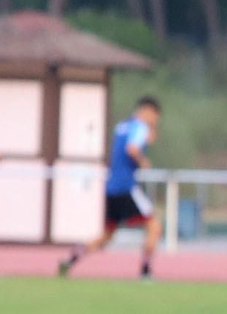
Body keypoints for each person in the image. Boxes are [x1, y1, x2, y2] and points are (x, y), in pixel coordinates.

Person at [59, 97, 163, 279]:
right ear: (149, 111)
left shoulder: (122, 126)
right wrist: (143, 160)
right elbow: (132, 149)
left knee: (106, 235)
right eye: (155, 117)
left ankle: (72, 258)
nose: (155, 121)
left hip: (111, 188)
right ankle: (145, 271)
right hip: (127, 187)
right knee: (155, 228)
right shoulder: (140, 127)